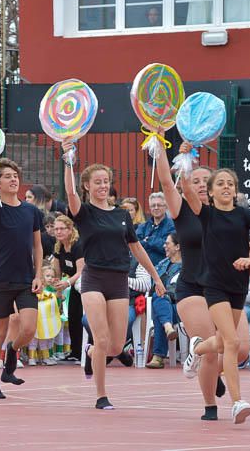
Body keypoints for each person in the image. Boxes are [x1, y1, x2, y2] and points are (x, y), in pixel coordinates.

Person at [62, 139, 165, 410]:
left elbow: (136, 247)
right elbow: (70, 193)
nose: (103, 185)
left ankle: (91, 353)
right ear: (87, 185)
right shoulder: (83, 212)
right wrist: (68, 160)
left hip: (118, 280)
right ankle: (101, 395)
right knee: (102, 337)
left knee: (117, 346)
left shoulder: (122, 215)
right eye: (97, 181)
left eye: (106, 181)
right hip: (94, 278)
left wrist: (155, 277)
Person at [179, 145, 250, 424]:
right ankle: (236, 402)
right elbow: (186, 188)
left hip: (238, 285)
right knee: (232, 342)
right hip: (214, 285)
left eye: (230, 184)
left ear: (235, 190)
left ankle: (196, 349)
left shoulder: (244, 216)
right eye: (220, 183)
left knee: (221, 342)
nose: (226, 187)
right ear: (210, 191)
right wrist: (186, 158)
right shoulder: (206, 214)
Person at [0, 157, 43, 399]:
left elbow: (37, 246)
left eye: (15, 175)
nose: (13, 179)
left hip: (27, 279)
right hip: (0, 278)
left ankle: (13, 351)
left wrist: (39, 274)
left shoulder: (31, 211)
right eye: (7, 176)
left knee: (28, 328)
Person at [146, 233, 182, 369]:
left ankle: (158, 357)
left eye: (167, 243)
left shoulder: (186, 266)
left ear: (177, 247)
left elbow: (180, 290)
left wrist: (164, 293)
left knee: (159, 301)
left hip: (179, 307)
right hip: (163, 305)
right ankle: (168, 326)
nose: (164, 246)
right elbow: (151, 284)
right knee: (159, 298)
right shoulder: (162, 263)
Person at [51, 215, 84, 361]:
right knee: (72, 317)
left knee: (81, 317)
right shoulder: (58, 247)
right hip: (73, 284)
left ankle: (83, 351)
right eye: (56, 229)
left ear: (70, 229)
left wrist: (66, 283)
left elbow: (81, 271)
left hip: (85, 284)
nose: (58, 232)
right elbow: (57, 271)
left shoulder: (78, 245)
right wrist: (57, 287)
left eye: (61, 228)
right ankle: (75, 352)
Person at [136, 192, 175, 265]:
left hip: (162, 269)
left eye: (159, 205)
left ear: (166, 207)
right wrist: (158, 242)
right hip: (141, 269)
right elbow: (136, 246)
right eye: (153, 205)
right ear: (150, 208)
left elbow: (169, 248)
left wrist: (149, 239)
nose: (156, 208)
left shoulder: (172, 226)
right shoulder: (143, 226)